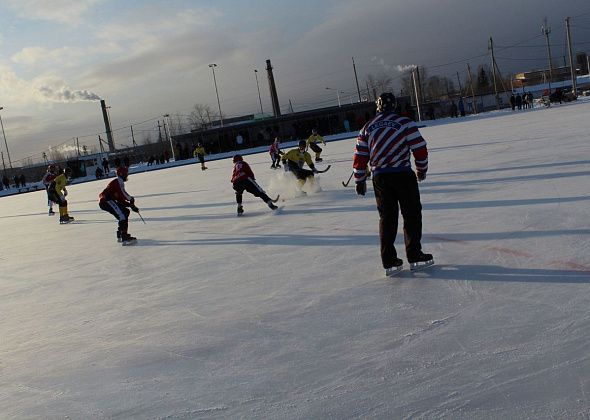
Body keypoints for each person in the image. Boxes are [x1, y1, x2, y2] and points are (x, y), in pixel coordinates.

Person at [353, 92, 433, 276]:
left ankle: (389, 260)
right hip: (403, 174)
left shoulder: (367, 127)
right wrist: (422, 170)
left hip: (380, 177)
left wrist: (359, 179)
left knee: (387, 218)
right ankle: (414, 254)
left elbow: (360, 156)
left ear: (378, 107)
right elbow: (419, 148)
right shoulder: (406, 123)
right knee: (411, 214)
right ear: (395, 106)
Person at [99, 166, 139, 245]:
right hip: (106, 201)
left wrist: (130, 205)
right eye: (126, 174)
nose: (127, 176)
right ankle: (124, 236)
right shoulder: (119, 181)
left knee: (125, 211)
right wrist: (130, 199)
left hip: (108, 201)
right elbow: (122, 194)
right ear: (121, 174)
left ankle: (121, 233)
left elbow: (119, 198)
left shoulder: (118, 181)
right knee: (122, 215)